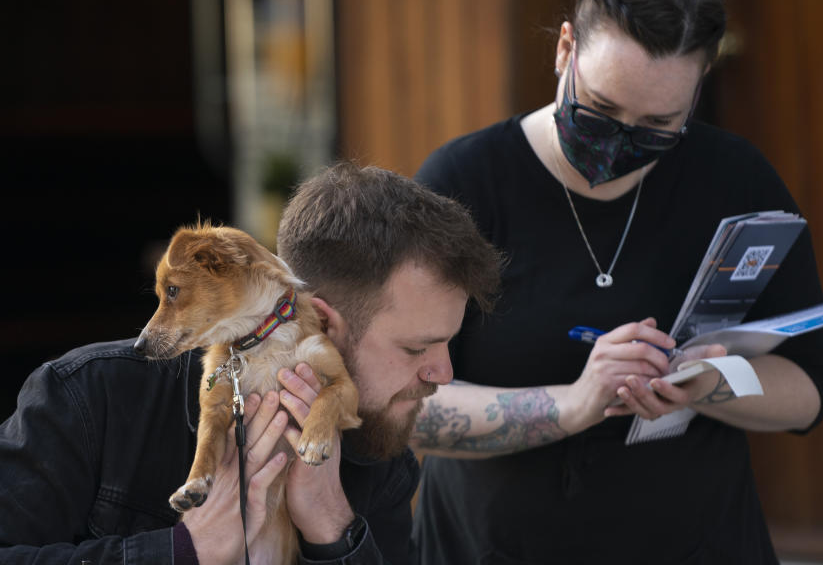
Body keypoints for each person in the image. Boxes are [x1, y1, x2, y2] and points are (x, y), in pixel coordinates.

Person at [411, 0, 823, 564]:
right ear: (565, 50)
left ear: (699, 90)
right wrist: (575, 403)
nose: (619, 144)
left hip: (701, 544)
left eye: (658, 126)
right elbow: (400, 405)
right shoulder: (465, 182)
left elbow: (810, 388)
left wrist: (709, 384)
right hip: (491, 548)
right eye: (602, 110)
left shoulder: (736, 180)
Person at [0, 162, 502, 564]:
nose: (444, 374)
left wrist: (332, 530)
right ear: (323, 325)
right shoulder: (89, 397)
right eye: (418, 348)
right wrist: (179, 553)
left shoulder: (381, 459)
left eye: (448, 345)